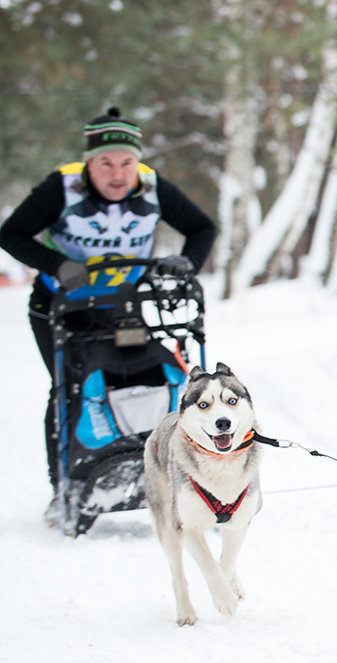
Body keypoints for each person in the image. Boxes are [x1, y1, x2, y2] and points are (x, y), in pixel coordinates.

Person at [0, 107, 217, 520]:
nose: (118, 174)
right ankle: (65, 487)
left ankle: (141, 468)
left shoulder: (153, 188)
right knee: (71, 389)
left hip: (121, 307)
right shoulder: (62, 188)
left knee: (143, 379)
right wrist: (57, 265)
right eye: (106, 163)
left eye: (127, 163)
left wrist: (186, 262)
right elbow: (10, 234)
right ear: (89, 163)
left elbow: (202, 228)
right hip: (60, 309)